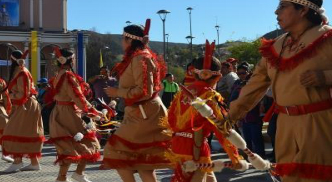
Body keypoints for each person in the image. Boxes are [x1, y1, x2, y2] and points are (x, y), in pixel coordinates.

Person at [229, 0, 332, 181]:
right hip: (284, 125)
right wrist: (230, 115)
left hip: (319, 123)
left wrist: (326, 77)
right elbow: (255, 84)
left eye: (283, 6)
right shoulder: (276, 46)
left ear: (303, 10)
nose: (277, 11)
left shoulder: (327, 38)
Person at [103, 20, 171, 182]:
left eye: (122, 38)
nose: (121, 41)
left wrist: (117, 92)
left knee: (114, 149)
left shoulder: (140, 58)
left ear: (130, 40)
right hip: (142, 111)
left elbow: (143, 91)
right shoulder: (140, 56)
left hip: (144, 113)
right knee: (143, 162)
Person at [168, 41, 242, 182]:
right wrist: (235, 157)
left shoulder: (181, 93)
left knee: (209, 177)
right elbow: (222, 129)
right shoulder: (210, 95)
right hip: (196, 147)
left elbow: (170, 120)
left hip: (178, 144)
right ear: (217, 77)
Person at [49, 48, 101, 182]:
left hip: (59, 111)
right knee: (89, 142)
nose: (74, 61)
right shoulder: (68, 75)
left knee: (67, 146)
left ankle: (62, 177)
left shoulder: (59, 74)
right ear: (69, 60)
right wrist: (92, 111)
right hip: (69, 113)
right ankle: (78, 174)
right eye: (73, 59)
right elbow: (78, 96)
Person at [2, 50, 44, 173]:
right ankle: (34, 163)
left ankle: (17, 161)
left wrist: (11, 95)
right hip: (25, 104)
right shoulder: (20, 71)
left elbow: (23, 94)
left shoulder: (22, 73)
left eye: (10, 60)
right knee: (27, 133)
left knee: (14, 131)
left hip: (26, 105)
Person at [230, 63, 266, 158]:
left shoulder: (254, 83)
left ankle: (261, 158)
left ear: (248, 72)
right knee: (247, 140)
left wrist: (262, 103)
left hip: (254, 116)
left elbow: (261, 94)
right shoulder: (237, 85)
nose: (242, 75)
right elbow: (233, 100)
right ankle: (250, 158)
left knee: (256, 138)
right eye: (239, 73)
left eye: (243, 73)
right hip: (243, 117)